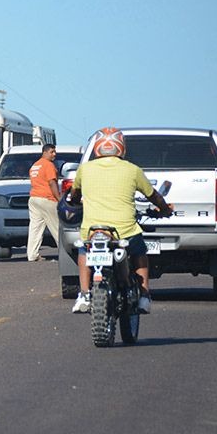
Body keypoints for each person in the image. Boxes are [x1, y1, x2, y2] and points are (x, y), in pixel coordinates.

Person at [68, 127, 172, 314]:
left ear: (98, 147)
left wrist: (76, 202)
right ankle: (143, 296)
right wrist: (165, 210)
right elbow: (153, 196)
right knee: (140, 250)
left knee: (84, 250)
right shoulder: (133, 170)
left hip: (93, 231)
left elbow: (74, 195)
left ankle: (84, 294)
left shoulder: (85, 169)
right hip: (125, 232)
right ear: (121, 147)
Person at [27, 144, 61, 262]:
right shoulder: (48, 165)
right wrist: (59, 198)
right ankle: (65, 254)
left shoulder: (35, 165)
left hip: (34, 199)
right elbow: (52, 183)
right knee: (56, 227)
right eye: (52, 152)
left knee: (35, 228)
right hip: (47, 199)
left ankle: (32, 255)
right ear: (45, 152)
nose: (54, 154)